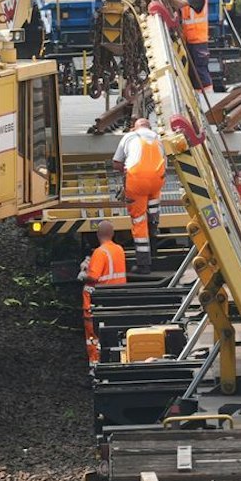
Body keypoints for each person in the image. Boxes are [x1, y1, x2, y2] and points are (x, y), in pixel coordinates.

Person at [111, 117, 165, 272]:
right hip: (156, 181)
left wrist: (125, 169)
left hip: (137, 180)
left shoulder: (129, 136)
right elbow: (164, 162)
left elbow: (116, 163)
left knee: (139, 220)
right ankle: (153, 250)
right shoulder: (158, 138)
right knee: (152, 215)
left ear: (135, 128)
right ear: (149, 127)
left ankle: (143, 264)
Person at [77, 219, 127, 364]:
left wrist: (83, 274)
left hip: (97, 303)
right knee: (112, 333)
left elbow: (94, 276)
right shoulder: (119, 249)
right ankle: (113, 359)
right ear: (113, 234)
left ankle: (96, 363)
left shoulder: (100, 253)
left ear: (98, 234)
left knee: (93, 338)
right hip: (116, 299)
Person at [173, 0, 214, 95]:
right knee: (191, 70)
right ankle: (195, 95)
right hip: (187, 40)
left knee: (200, 69)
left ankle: (209, 95)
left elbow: (179, 4)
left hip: (198, 40)